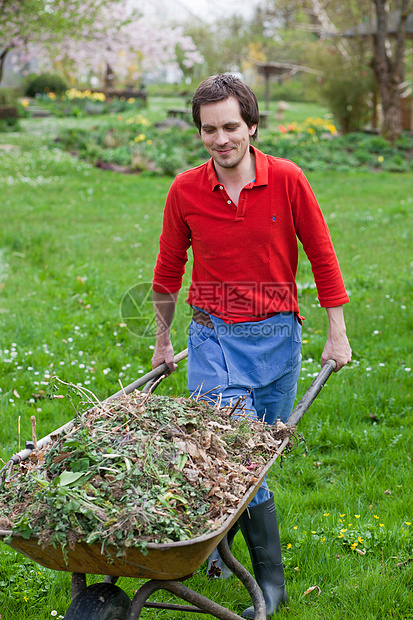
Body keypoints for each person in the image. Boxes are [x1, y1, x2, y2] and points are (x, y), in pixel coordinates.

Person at [151, 74, 351, 618]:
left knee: (257, 459)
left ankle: (219, 546)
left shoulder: (286, 180)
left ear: (252, 126)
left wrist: (337, 329)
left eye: (231, 126)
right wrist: (163, 340)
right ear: (200, 133)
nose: (221, 139)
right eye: (209, 129)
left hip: (278, 336)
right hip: (212, 334)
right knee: (230, 452)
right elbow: (169, 269)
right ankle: (269, 581)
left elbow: (322, 253)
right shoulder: (186, 190)